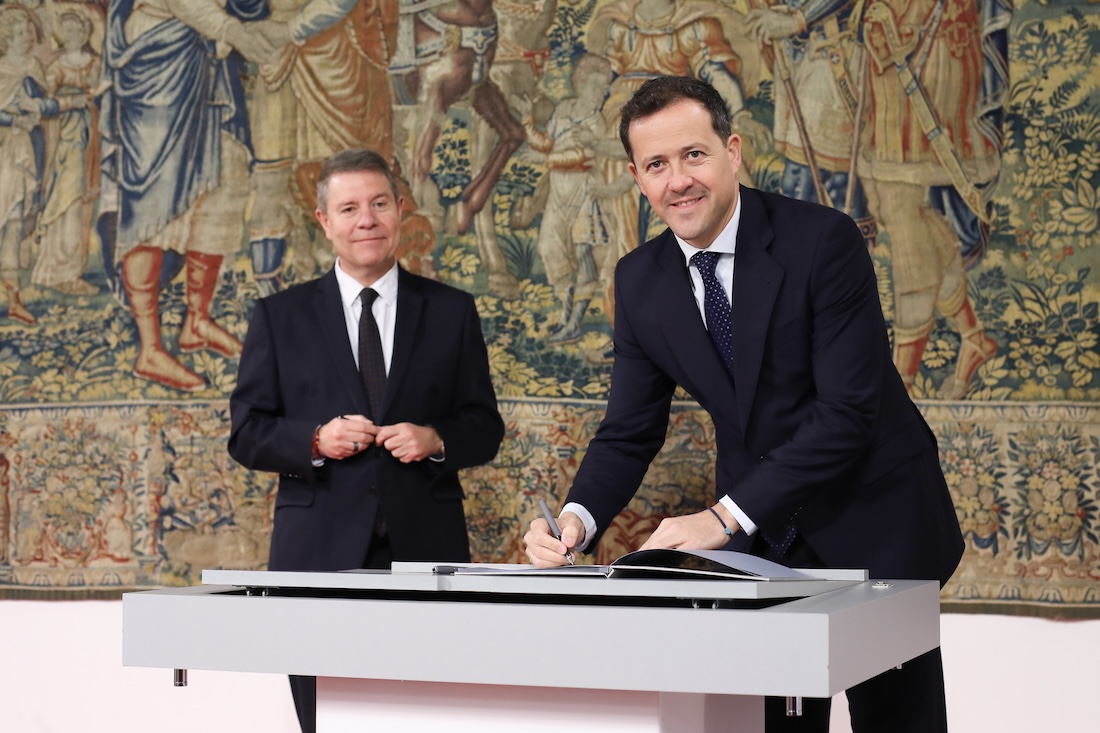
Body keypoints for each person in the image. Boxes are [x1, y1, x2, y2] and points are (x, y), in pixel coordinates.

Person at [523, 76, 963, 732]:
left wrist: (722, 517)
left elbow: (847, 413)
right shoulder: (638, 280)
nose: (678, 181)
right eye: (656, 165)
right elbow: (629, 430)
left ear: (732, 152)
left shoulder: (824, 241)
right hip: (764, 546)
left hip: (877, 518)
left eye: (694, 155)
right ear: (636, 178)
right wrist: (575, 520)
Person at [228, 147, 505, 733]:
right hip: (317, 555)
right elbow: (247, 433)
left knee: (427, 717)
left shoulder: (452, 311)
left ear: (400, 210)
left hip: (426, 549)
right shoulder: (279, 316)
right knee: (323, 720)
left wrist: (435, 439)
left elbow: (485, 428)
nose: (367, 220)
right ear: (324, 221)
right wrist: (314, 440)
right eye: (349, 208)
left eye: (379, 204)